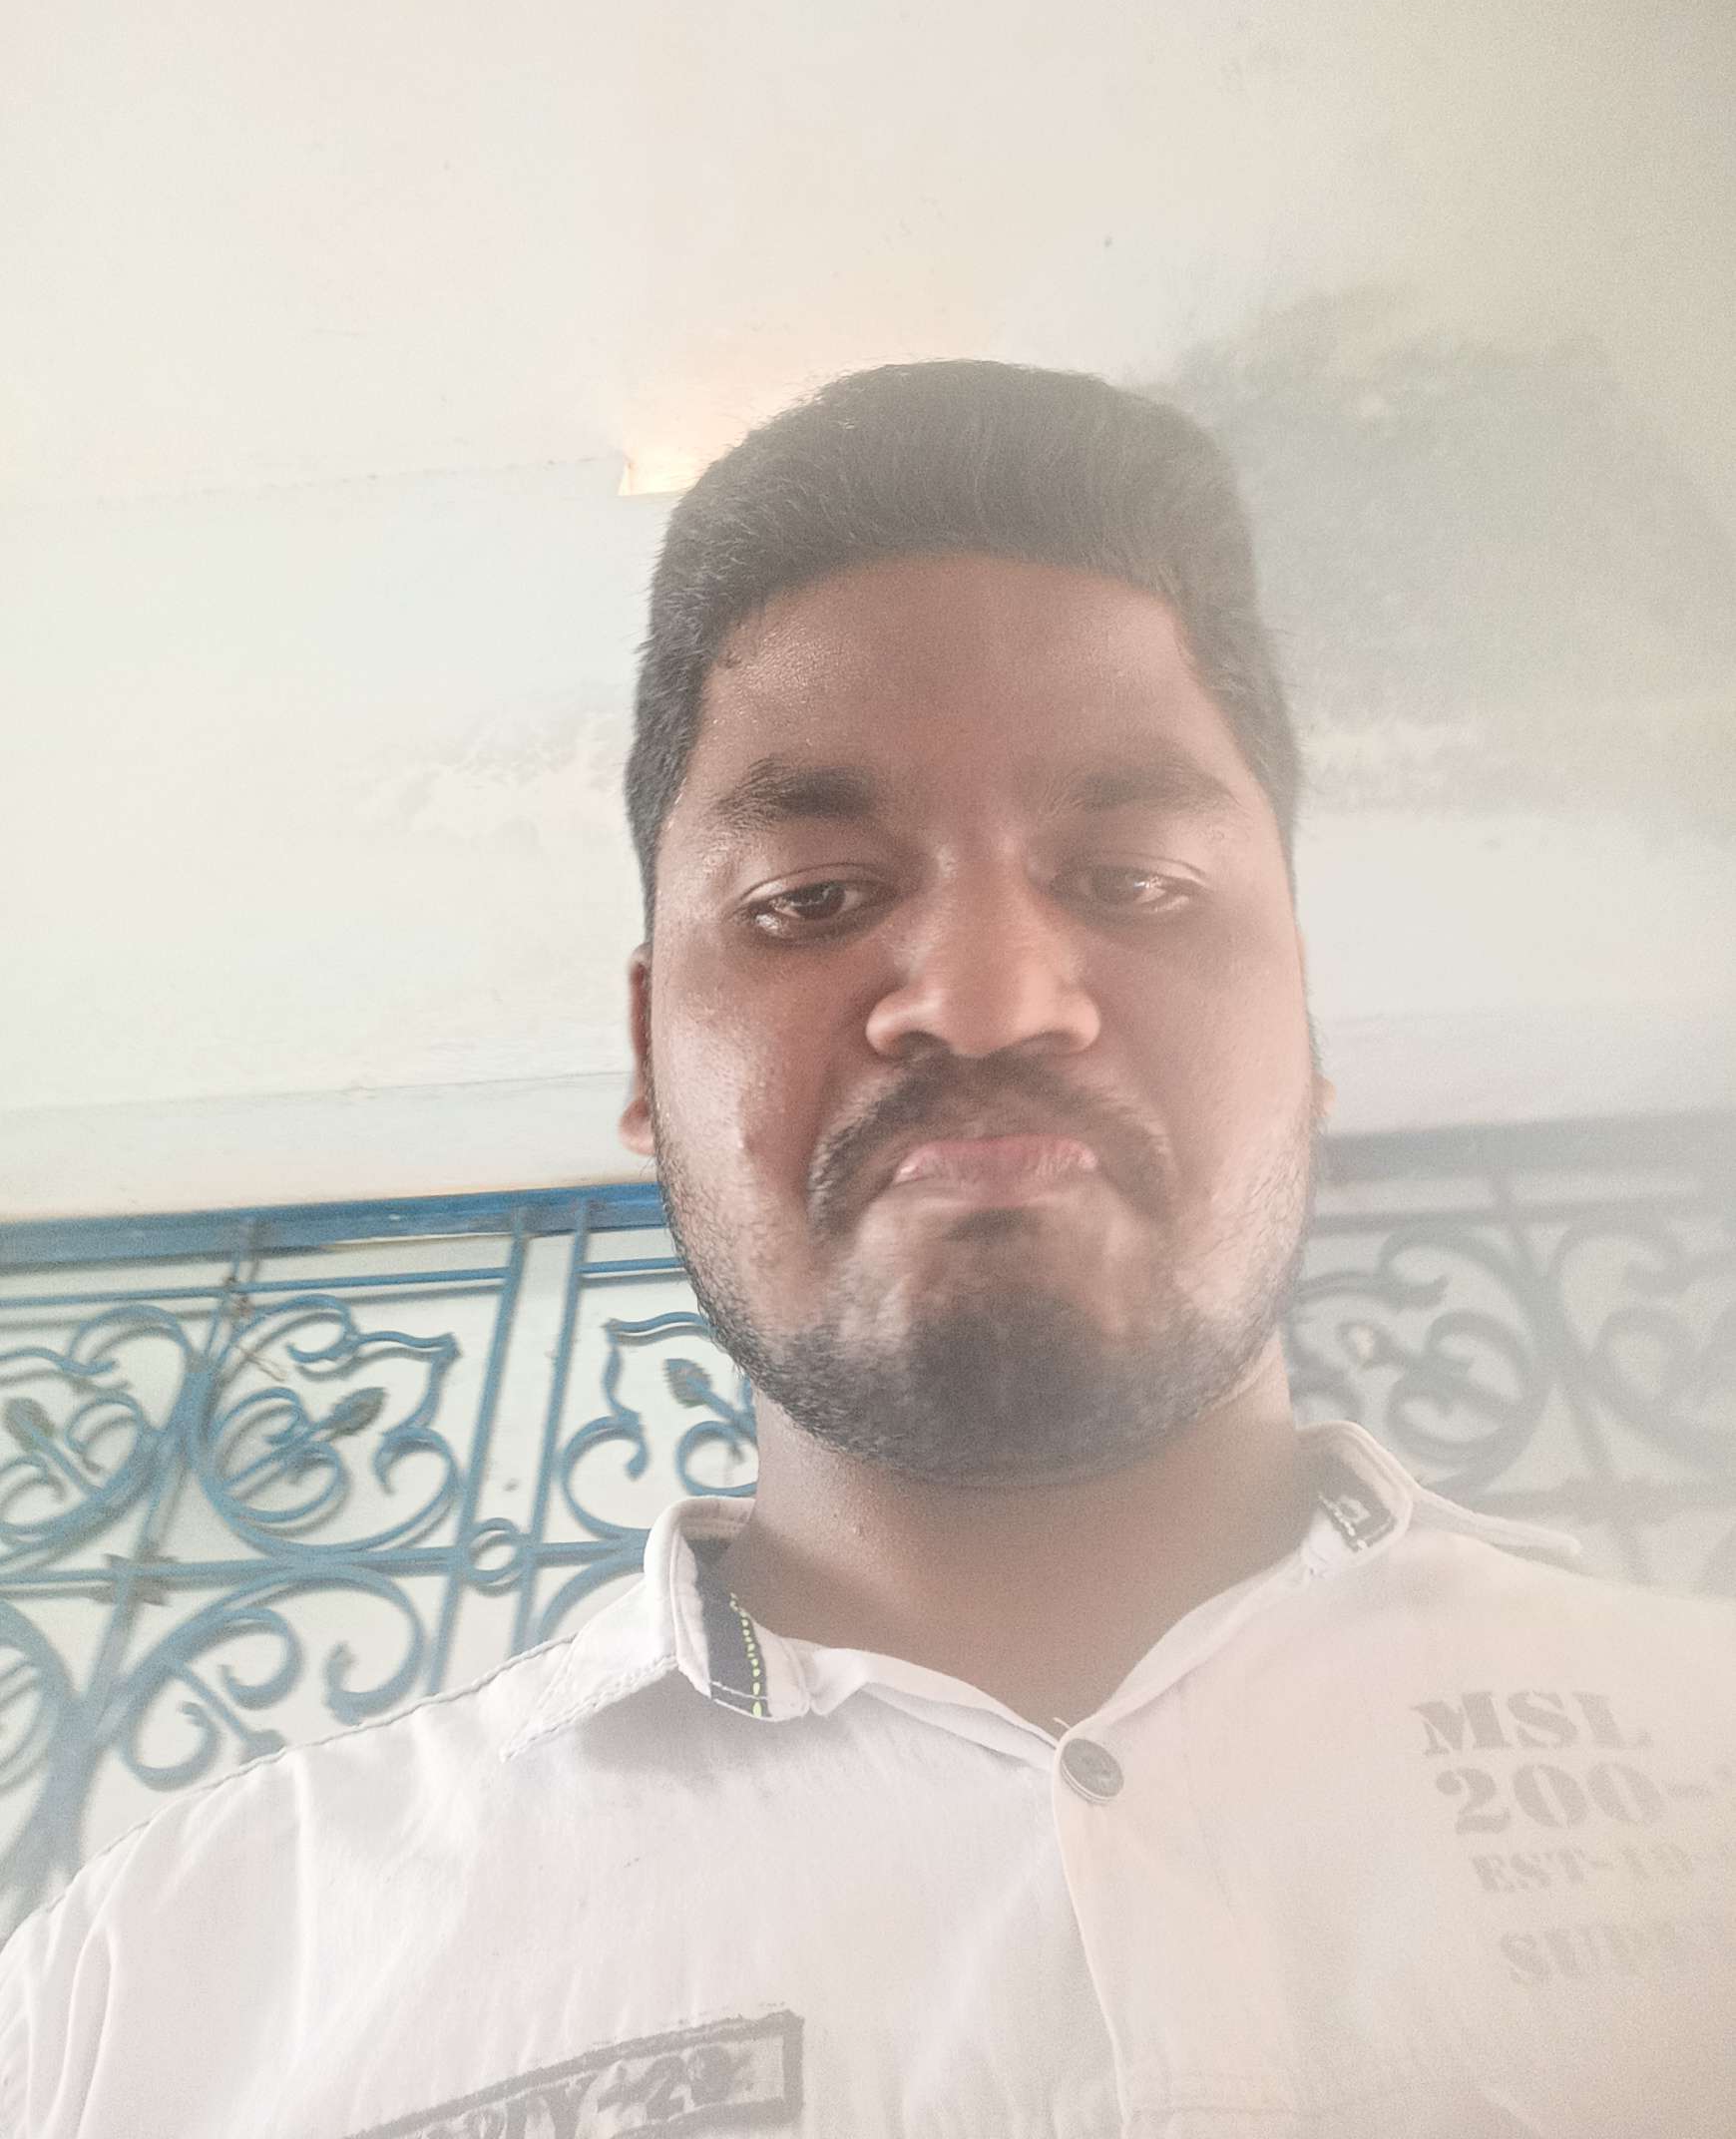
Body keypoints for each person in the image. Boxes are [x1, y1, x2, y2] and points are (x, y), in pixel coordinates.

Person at [3, 360, 1733, 2138]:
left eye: (1135, 881)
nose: (986, 1000)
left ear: (1308, 1026)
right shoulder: (156, 1995)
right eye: (811, 899)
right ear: (645, 1052)